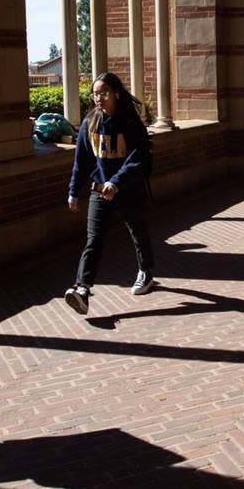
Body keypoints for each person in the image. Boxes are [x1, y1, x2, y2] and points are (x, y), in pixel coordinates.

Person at [64, 72, 157, 316]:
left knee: (137, 231)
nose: (99, 98)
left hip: (127, 190)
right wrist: (73, 191)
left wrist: (116, 182)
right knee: (93, 240)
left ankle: (146, 272)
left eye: (104, 93)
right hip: (99, 191)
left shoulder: (129, 122)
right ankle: (82, 289)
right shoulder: (89, 123)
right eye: (95, 94)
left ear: (116, 94)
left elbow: (138, 157)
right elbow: (81, 161)